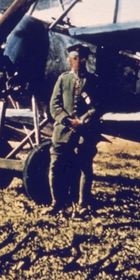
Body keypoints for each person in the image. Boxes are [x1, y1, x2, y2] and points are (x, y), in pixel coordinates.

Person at [46, 43, 100, 216]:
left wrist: (82, 121)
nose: (79, 62)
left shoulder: (93, 81)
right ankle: (57, 203)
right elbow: (54, 105)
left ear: (87, 60)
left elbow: (98, 106)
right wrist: (66, 120)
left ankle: (83, 205)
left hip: (85, 132)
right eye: (75, 58)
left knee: (85, 167)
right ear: (69, 60)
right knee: (55, 166)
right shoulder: (63, 79)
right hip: (63, 131)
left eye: (82, 58)